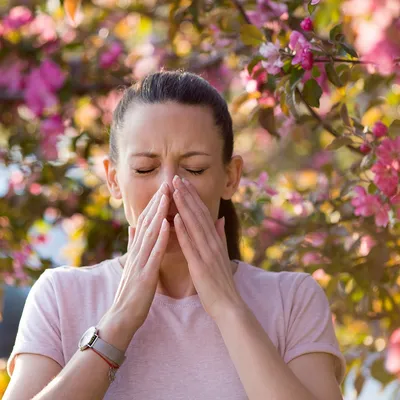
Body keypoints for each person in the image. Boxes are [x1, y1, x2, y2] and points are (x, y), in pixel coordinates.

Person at [4, 70, 345, 400]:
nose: (168, 187)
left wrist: (228, 307)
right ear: (112, 179)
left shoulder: (293, 300)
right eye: (145, 169)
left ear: (230, 176)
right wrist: (118, 322)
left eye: (194, 168)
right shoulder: (60, 297)